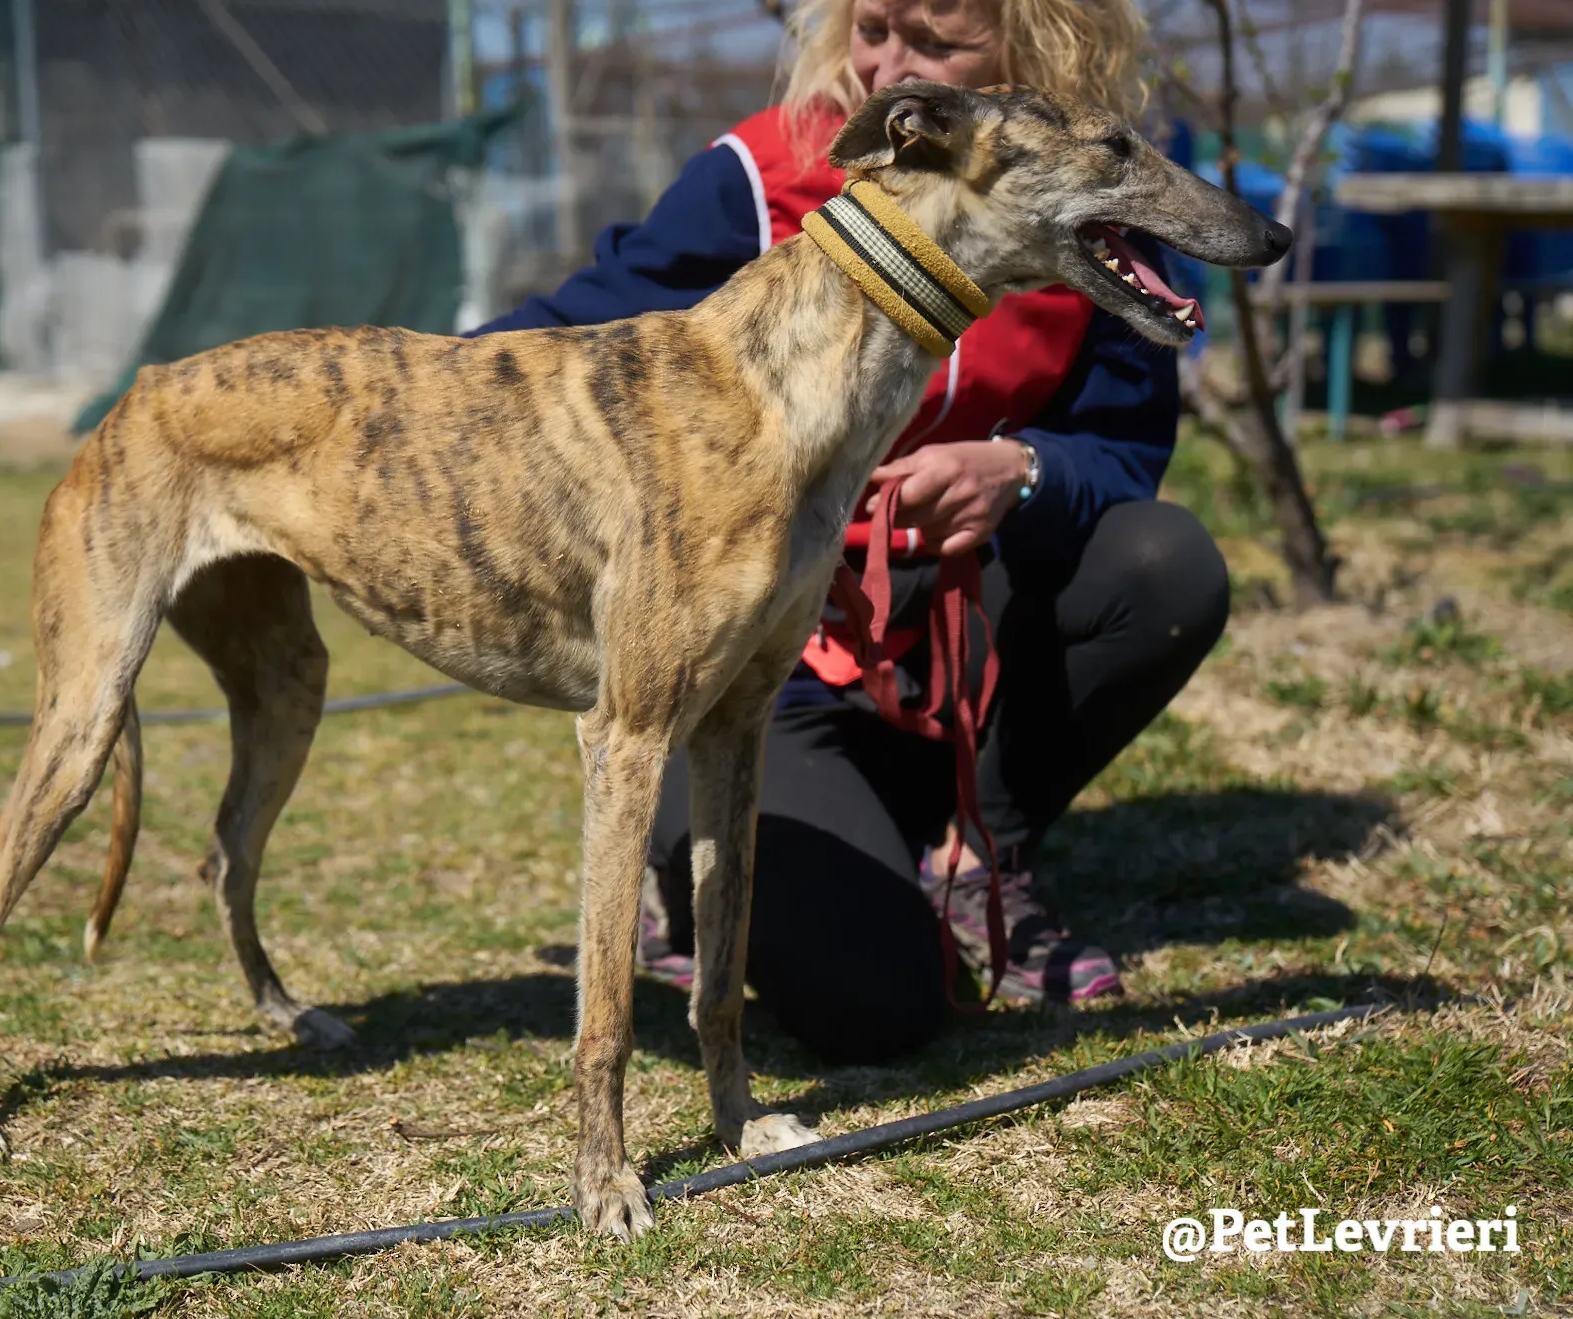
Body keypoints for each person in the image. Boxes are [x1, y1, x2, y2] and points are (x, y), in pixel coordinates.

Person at [472, 0, 1232, 1063]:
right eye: (870, 28)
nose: (884, 65)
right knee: (872, 1006)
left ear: (1035, 46)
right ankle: (692, 871)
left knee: (1164, 565)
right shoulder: (759, 169)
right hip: (767, 660)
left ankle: (979, 852)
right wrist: (383, 395)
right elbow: (576, 324)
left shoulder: (1091, 195)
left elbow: (1122, 448)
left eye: (932, 44)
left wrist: (1025, 469)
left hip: (965, 627)